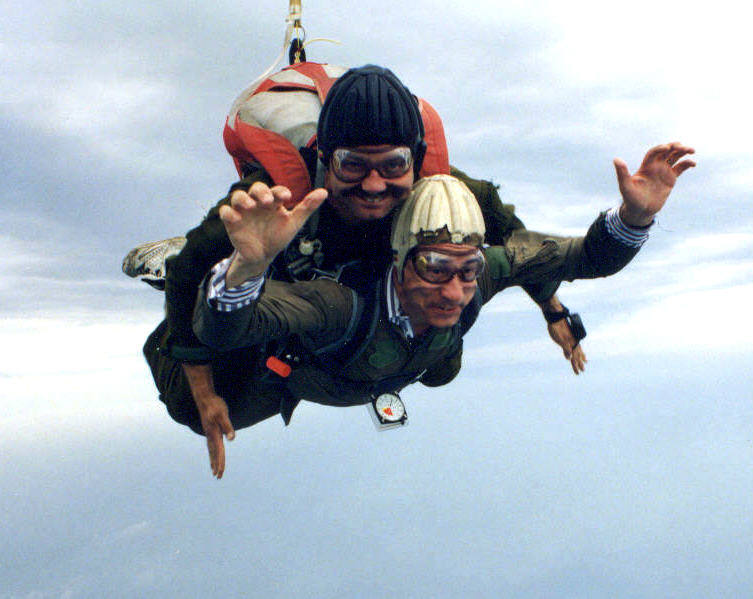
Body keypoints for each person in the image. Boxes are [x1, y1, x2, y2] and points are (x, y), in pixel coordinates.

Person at [148, 136, 693, 475]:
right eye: (434, 269)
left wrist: (635, 218)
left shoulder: (483, 272)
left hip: (396, 362)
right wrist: (244, 271)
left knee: (443, 369)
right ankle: (190, 268)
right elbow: (226, 330)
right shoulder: (338, 305)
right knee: (195, 410)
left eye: (468, 269)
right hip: (308, 368)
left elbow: (579, 257)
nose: (455, 292)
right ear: (400, 256)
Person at [139, 65, 590, 471]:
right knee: (193, 408)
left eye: (393, 165)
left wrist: (551, 308)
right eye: (352, 165)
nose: (374, 185)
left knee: (441, 369)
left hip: (376, 304)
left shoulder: (445, 190)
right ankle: (226, 279)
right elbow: (186, 269)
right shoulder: (271, 196)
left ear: (414, 160)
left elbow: (513, 236)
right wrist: (201, 385)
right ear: (324, 160)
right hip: (292, 306)